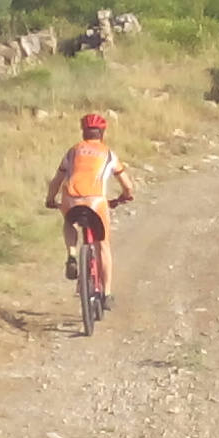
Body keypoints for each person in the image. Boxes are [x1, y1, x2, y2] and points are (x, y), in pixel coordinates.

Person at [45, 109, 134, 308]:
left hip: (71, 199)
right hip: (96, 202)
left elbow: (56, 181)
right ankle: (107, 294)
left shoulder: (73, 151)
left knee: (69, 222)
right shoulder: (109, 154)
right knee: (103, 245)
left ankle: (72, 254)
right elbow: (127, 186)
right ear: (102, 133)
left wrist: (50, 200)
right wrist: (125, 197)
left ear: (83, 132)